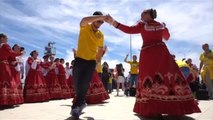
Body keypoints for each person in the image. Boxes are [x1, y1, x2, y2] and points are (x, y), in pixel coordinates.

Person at [106, 8, 201, 118]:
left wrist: (113, 22)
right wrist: (164, 28)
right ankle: (171, 106)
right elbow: (167, 37)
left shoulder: (143, 25)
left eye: (143, 12)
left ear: (148, 14)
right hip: (162, 53)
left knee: (149, 77)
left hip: (149, 54)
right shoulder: (160, 25)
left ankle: (152, 108)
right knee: (166, 76)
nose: (140, 14)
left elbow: (128, 30)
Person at [70, 11, 109, 118]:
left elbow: (100, 50)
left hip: (91, 62)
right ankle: (81, 103)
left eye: (102, 22)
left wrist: (97, 61)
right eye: (99, 20)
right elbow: (84, 20)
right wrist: (102, 17)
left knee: (84, 84)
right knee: (77, 83)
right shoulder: (85, 26)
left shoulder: (101, 35)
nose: (101, 23)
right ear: (94, 18)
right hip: (79, 59)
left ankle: (76, 107)